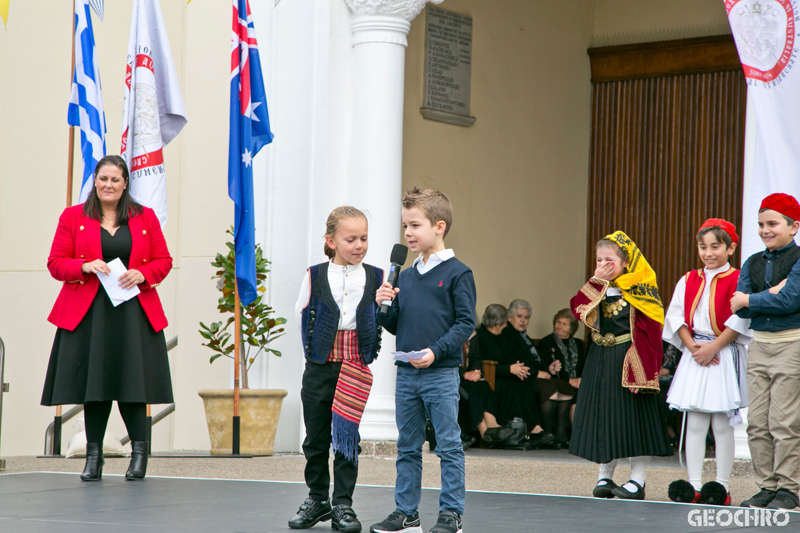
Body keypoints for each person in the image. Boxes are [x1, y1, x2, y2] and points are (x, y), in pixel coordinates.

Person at [41, 155, 173, 482]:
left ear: (125, 183)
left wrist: (142, 273)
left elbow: (164, 261)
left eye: (115, 180)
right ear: (95, 182)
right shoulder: (73, 217)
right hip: (89, 315)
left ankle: (140, 457)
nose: (108, 185)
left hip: (133, 314)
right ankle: (93, 457)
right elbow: (56, 262)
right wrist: (83, 266)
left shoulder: (146, 217)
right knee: (94, 386)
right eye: (103, 179)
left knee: (133, 385)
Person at [372, 187, 476, 533]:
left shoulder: (459, 273)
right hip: (406, 375)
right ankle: (407, 512)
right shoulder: (406, 274)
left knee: (448, 445)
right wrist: (382, 305)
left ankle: (451, 514)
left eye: (415, 225)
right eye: (405, 227)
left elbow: (466, 323)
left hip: (440, 374)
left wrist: (436, 351)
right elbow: (394, 324)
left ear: (439, 226)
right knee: (407, 446)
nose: (407, 234)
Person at [289, 206, 384, 532]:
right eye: (350, 239)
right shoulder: (315, 274)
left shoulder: (376, 277)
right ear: (331, 241)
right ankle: (318, 499)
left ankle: (343, 504)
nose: (359, 245)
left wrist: (382, 304)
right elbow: (302, 314)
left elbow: (381, 318)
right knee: (315, 439)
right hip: (319, 368)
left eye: (364, 238)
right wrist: (314, 353)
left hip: (354, 368)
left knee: (346, 439)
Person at [569, 231, 673, 501]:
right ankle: (605, 473)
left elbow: (652, 330)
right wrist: (597, 281)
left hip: (629, 359)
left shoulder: (642, 289)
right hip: (599, 358)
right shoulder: (597, 287)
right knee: (602, 416)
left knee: (632, 419)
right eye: (598, 260)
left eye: (609, 260)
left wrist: (645, 369)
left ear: (626, 262)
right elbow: (577, 308)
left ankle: (637, 479)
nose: (603, 264)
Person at [663, 219, 751, 506]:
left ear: (731, 247)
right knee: (696, 422)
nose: (708, 253)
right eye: (703, 247)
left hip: (723, 352)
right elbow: (675, 317)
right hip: (695, 353)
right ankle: (695, 483)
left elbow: (741, 318)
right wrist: (693, 348)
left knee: (722, 424)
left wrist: (714, 347)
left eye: (715, 246)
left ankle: (722, 486)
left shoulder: (739, 278)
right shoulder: (688, 279)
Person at [731, 193, 800, 511]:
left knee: (784, 422)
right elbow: (738, 308)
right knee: (757, 422)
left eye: (772, 223)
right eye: (760, 224)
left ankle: (789, 489)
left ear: (793, 226)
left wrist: (752, 299)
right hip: (760, 345)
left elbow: (789, 302)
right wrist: (766, 295)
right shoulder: (751, 262)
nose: (764, 230)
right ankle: (767, 487)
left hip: (792, 344)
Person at [469, 304, 554, 449]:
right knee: (511, 389)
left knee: (524, 387)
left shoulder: (503, 335)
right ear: (497, 323)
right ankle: (513, 431)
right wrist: (509, 369)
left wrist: (518, 368)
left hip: (505, 375)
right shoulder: (481, 337)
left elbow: (511, 356)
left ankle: (533, 430)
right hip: (491, 377)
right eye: (504, 321)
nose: (506, 324)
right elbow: (482, 364)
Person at [503, 300, 574, 447]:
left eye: (527, 317)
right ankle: (545, 433)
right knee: (550, 389)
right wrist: (537, 373)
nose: (524, 320)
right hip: (522, 378)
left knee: (566, 389)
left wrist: (549, 369)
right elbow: (517, 362)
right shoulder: (508, 334)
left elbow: (534, 360)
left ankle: (560, 434)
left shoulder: (523, 335)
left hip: (535, 375)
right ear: (510, 317)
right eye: (520, 316)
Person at [460, 314, 513, 446]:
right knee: (472, 389)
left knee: (484, 385)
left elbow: (477, 357)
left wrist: (476, 372)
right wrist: (464, 374)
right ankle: (485, 432)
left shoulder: (473, 335)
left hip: (469, 376)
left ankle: (493, 424)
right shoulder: (449, 333)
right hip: (452, 377)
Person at [538, 308, 586, 424]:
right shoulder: (546, 342)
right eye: (558, 322)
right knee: (572, 393)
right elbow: (547, 369)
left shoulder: (578, 344)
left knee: (583, 393)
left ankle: (578, 436)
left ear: (571, 329)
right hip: (557, 383)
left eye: (564, 324)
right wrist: (570, 380)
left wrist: (580, 380)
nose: (559, 326)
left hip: (577, 384)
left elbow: (583, 366)